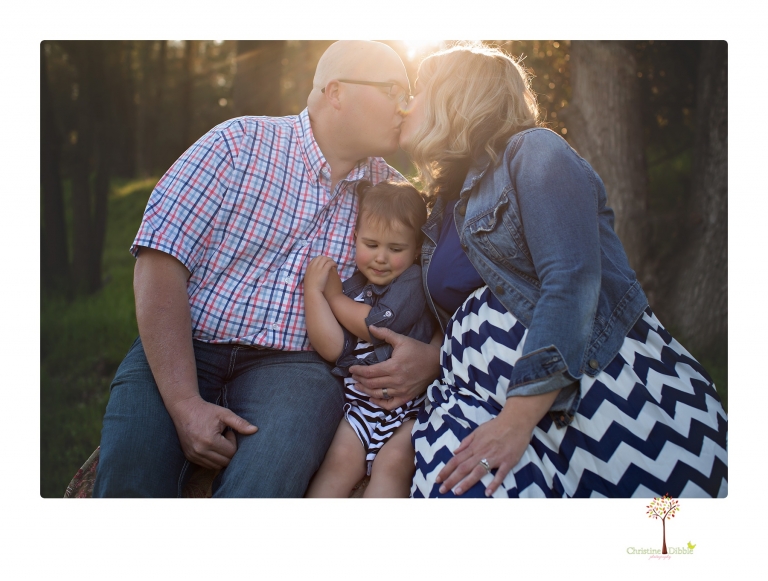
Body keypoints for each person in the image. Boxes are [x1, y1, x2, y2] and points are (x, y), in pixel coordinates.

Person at [371, 43, 728, 498]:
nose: (407, 104)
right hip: (472, 397)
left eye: (419, 91)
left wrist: (517, 420)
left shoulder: (532, 151)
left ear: (453, 97)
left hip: (581, 386)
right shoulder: (441, 207)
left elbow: (572, 279)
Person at [92, 40, 440, 498]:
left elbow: (439, 292)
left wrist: (433, 356)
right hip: (190, 342)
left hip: (296, 368)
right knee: (129, 478)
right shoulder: (236, 144)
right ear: (336, 92)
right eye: (393, 90)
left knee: (268, 478)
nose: (405, 107)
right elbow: (159, 262)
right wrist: (184, 404)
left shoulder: (390, 194)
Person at [303, 180, 434, 497]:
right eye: (371, 245)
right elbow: (334, 348)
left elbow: (377, 325)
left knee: (394, 463)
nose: (381, 258)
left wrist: (333, 298)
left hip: (408, 407)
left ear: (416, 249)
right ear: (355, 239)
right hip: (360, 405)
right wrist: (313, 293)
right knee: (338, 462)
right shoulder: (355, 289)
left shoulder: (413, 280)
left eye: (396, 249)